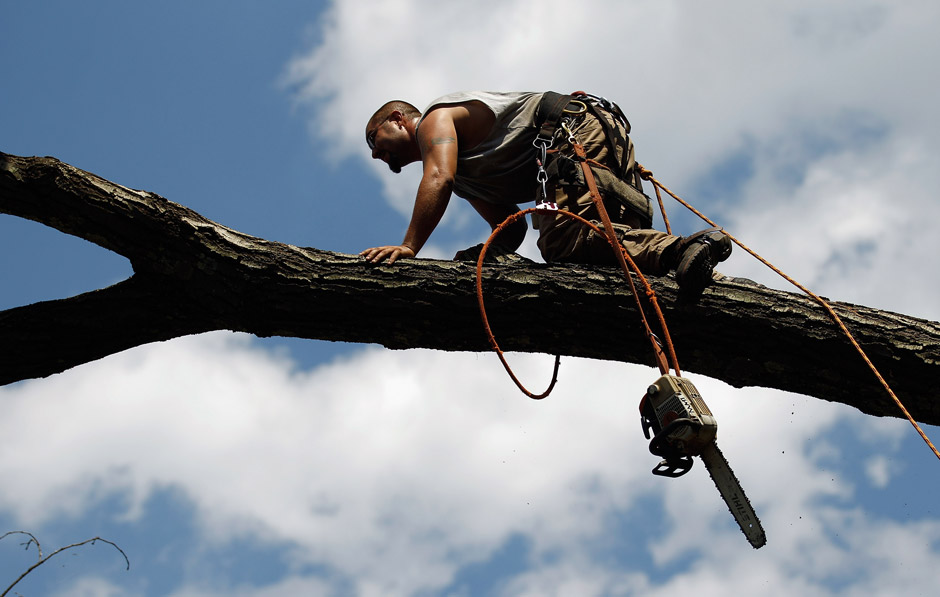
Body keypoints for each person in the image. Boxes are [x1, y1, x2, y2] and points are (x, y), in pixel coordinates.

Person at [360, 91, 731, 295]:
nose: (377, 155)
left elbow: (438, 177)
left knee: (564, 242)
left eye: (375, 140)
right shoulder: (467, 178)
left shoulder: (434, 120)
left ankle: (683, 249)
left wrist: (409, 247)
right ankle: (692, 268)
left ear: (397, 118)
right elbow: (512, 227)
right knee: (608, 264)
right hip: (586, 140)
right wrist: (485, 253)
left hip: (574, 131)